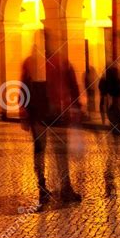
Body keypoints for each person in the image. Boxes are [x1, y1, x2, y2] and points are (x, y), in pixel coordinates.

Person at [19, 49, 82, 208]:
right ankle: (50, 186)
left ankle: (58, 186)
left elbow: (71, 84)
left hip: (53, 114)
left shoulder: (57, 61)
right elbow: (24, 87)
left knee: (51, 151)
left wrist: (75, 106)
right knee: (46, 151)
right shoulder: (37, 62)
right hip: (44, 114)